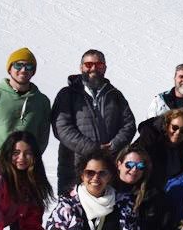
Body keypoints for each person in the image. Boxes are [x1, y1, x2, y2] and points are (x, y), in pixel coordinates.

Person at [51, 49, 136, 192]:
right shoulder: (68, 94)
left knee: (107, 210)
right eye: (89, 64)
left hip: (108, 169)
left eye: (99, 65)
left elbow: (129, 124)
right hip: (74, 168)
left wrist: (114, 145)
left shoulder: (114, 95)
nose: (93, 69)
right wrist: (94, 149)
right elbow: (62, 127)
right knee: (72, 211)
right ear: (81, 67)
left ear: (105, 68)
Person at [136, 108, 183, 195]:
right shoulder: (150, 140)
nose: (178, 133)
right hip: (145, 191)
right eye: (175, 127)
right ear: (167, 125)